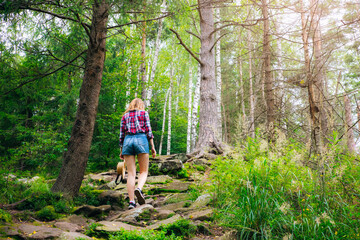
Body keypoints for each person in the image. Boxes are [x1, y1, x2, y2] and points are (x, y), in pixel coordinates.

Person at [119, 98, 156, 209]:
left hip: (128, 141)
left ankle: (131, 202)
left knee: (131, 174)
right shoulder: (144, 114)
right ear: (141, 105)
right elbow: (149, 131)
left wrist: (121, 150)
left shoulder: (125, 116)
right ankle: (139, 189)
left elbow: (121, 134)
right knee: (143, 171)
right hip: (141, 139)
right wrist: (152, 147)